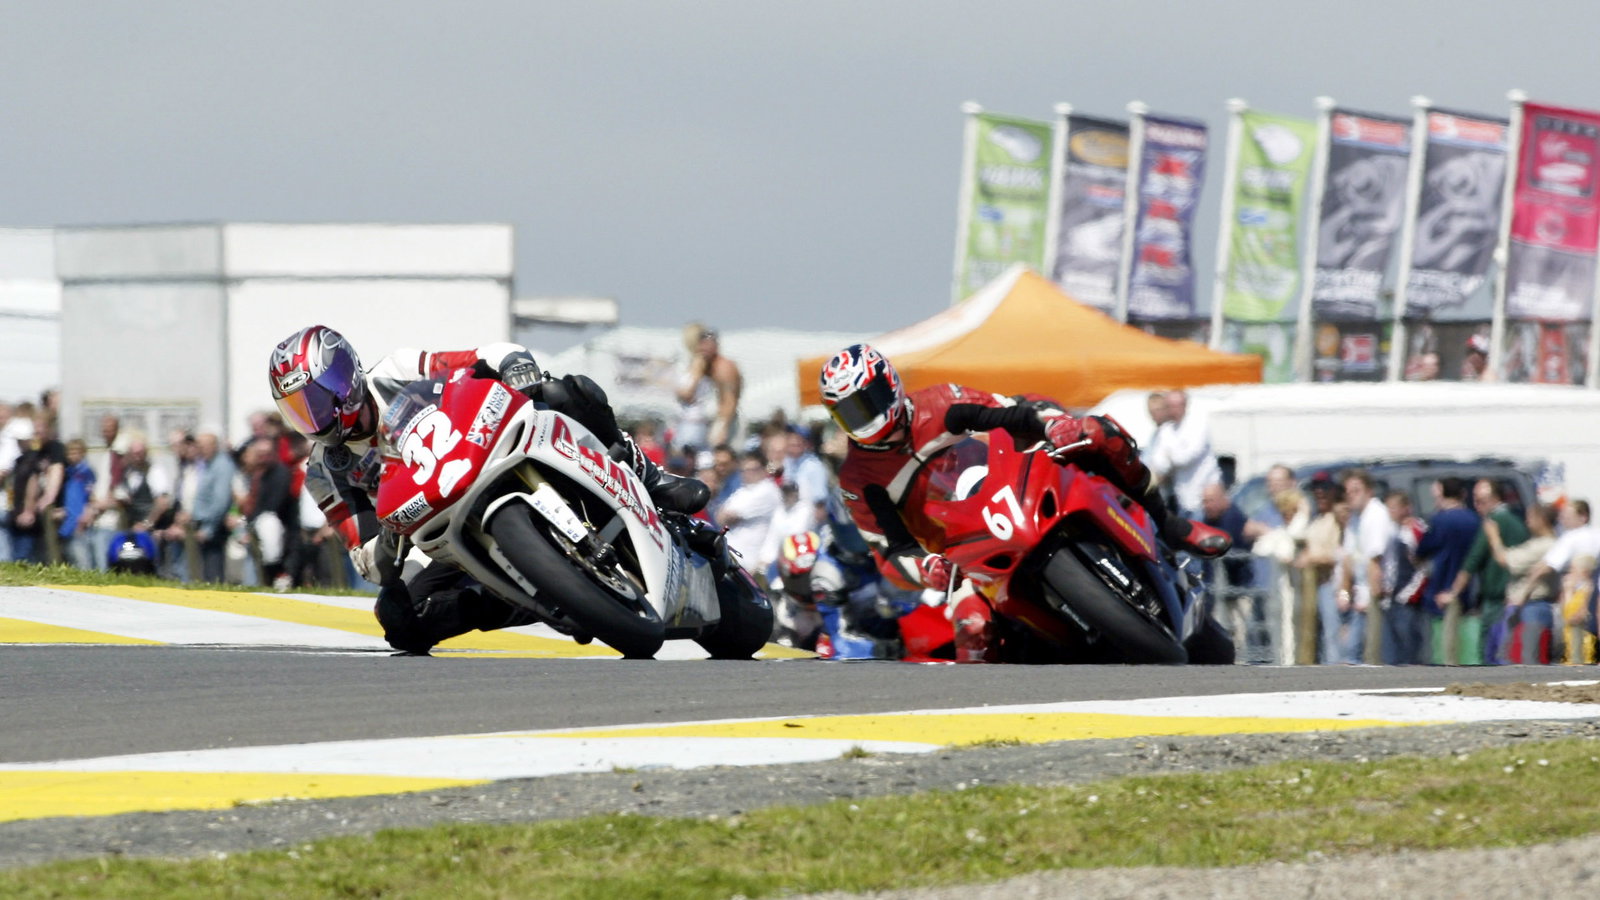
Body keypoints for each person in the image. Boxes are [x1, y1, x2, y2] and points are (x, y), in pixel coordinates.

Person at [268, 324, 709, 653]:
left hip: (485, 445)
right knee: (398, 617)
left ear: (344, 377)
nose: (315, 418)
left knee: (564, 390)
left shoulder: (395, 371)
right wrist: (386, 538)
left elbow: (484, 356)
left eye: (318, 400)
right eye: (300, 411)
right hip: (437, 528)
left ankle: (647, 475)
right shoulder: (326, 470)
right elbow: (367, 559)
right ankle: (537, 596)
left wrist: (515, 366)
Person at [819, 343, 1230, 658]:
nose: (862, 421)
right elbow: (888, 552)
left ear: (888, 385)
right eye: (847, 415)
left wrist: (1054, 424)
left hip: (1009, 490)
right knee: (973, 632)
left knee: (1098, 432)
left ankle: (1173, 527)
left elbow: (1012, 412)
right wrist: (928, 569)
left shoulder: (940, 401)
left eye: (864, 405)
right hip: (961, 558)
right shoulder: (858, 477)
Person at [1440, 479, 1528, 663]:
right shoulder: (1517, 520)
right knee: (1508, 648)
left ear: (1495, 499)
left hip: (1496, 597)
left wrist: (1453, 593)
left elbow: (1472, 562)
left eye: (1481, 501)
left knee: (1489, 650)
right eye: (1475, 501)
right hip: (1517, 596)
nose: (1477, 506)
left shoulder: (1493, 523)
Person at [1332, 468, 1394, 664]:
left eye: (1356, 490)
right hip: (1359, 595)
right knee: (1351, 651)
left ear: (1369, 491)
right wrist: (1345, 593)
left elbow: (1375, 560)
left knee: (1371, 653)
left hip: (1377, 596)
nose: (1351, 496)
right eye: (1348, 492)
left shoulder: (1376, 515)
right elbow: (1349, 559)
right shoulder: (1355, 519)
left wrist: (1369, 598)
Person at [1418, 478, 1483, 665]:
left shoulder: (1439, 520)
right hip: (1469, 590)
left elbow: (1421, 551)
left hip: (1439, 587)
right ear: (1463, 494)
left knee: (1439, 645)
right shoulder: (1475, 520)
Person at [1146, 390, 1222, 521]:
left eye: (1176, 405)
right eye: (1169, 406)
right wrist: (1173, 454)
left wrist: (1169, 454)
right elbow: (1159, 463)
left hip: (1203, 498)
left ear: (1185, 405)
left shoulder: (1198, 424)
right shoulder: (1166, 430)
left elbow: (1185, 458)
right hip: (1183, 498)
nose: (1172, 410)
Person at [672, 323, 742, 454]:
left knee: (724, 456)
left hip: (727, 420)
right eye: (702, 343)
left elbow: (730, 401)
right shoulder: (702, 366)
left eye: (708, 344)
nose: (704, 348)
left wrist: (722, 427)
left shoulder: (724, 367)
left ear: (715, 346)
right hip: (707, 422)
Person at [1379, 490, 1429, 665]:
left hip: (1407, 600)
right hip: (1391, 598)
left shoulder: (1415, 530)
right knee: (1391, 653)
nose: (1390, 512)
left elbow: (1424, 568)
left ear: (1406, 508)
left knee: (1409, 650)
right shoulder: (1394, 530)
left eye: (1394, 508)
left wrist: (1408, 595)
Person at [714, 452, 783, 576]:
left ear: (763, 469)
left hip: (745, 560)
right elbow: (720, 517)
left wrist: (727, 517)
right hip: (727, 554)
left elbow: (729, 516)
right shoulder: (742, 490)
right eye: (744, 470)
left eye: (752, 469)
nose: (747, 473)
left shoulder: (767, 490)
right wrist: (726, 517)